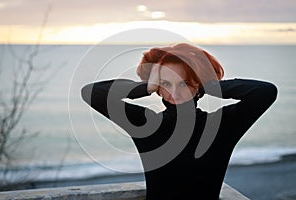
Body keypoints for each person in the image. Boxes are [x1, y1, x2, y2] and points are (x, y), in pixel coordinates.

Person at [81, 43, 277, 199]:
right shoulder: (146, 124)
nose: (174, 93)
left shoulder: (221, 125)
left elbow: (266, 92)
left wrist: (208, 85)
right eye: (165, 84)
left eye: (183, 83)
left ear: (196, 84)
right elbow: (91, 93)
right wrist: (146, 87)